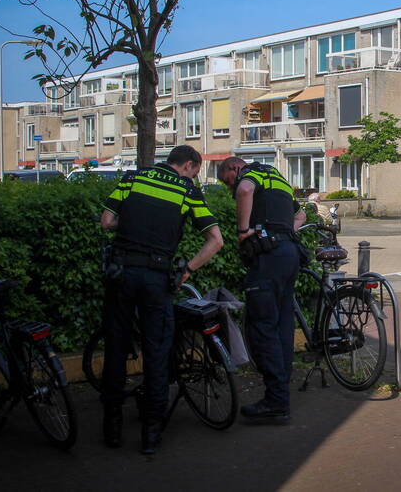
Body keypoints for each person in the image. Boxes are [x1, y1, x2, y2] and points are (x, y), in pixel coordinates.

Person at [100, 145, 223, 454]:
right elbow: (216, 240)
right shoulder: (187, 191)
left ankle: (112, 425)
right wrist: (188, 270)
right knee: (157, 351)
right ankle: (151, 432)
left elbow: (106, 221)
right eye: (195, 171)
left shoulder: (133, 178)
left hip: (122, 273)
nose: (194, 176)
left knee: (116, 346)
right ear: (190, 166)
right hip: (157, 277)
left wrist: (128, 226)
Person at [218, 156, 305, 425]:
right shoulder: (278, 178)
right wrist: (285, 232)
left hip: (269, 258)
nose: (230, 187)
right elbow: (300, 213)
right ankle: (280, 394)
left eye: (227, 181)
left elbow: (245, 190)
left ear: (235, 168)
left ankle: (276, 402)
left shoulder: (252, 173)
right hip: (290, 253)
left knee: (263, 326)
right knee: (282, 324)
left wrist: (243, 232)